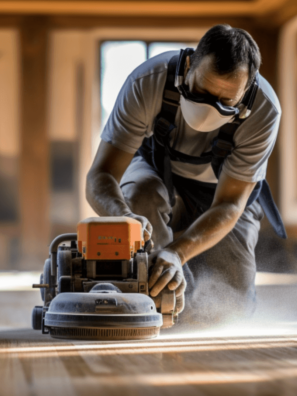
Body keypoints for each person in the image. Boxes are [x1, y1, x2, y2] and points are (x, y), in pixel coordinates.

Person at [86, 25, 285, 323]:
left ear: (247, 88)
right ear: (190, 64)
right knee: (140, 195)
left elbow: (230, 204)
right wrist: (124, 219)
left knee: (228, 307)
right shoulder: (148, 81)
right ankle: (150, 297)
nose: (209, 109)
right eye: (201, 92)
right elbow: (100, 176)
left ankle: (176, 277)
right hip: (156, 172)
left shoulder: (264, 110)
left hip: (221, 195)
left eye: (226, 102)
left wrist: (177, 254)